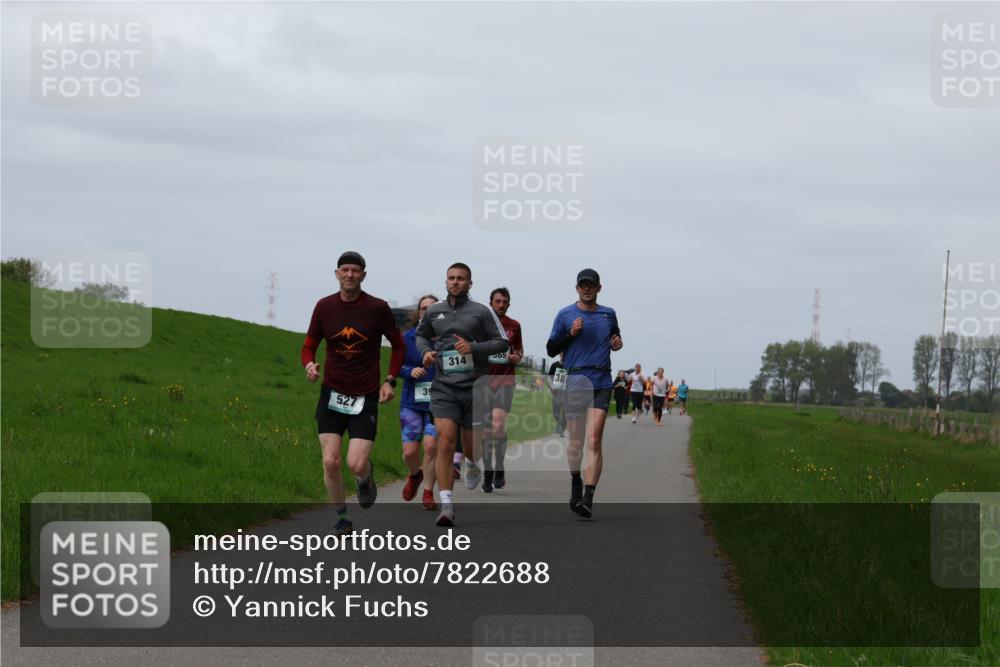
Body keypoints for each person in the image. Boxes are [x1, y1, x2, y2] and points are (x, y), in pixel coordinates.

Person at [301, 251, 405, 536]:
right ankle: (342, 518)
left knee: (355, 464)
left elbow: (398, 346)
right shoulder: (324, 307)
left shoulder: (377, 308)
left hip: (366, 395)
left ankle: (365, 477)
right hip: (332, 394)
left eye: (355, 271)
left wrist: (390, 380)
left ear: (363, 275)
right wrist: (309, 365)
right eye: (344, 270)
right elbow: (309, 344)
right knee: (330, 461)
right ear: (336, 274)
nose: (349, 275)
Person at [416, 262, 509, 526]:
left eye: (461, 279)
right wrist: (426, 352)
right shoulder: (434, 311)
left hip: (475, 389)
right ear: (445, 282)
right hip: (444, 387)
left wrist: (474, 347)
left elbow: (502, 342)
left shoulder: (482, 312)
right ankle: (446, 504)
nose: (455, 282)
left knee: (471, 447)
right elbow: (420, 336)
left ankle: (471, 462)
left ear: (470, 283)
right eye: (451, 278)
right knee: (445, 442)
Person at [546, 268, 623, 518]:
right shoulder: (565, 315)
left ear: (599, 288)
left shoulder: (608, 314)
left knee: (593, 440)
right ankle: (575, 480)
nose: (587, 288)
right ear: (577, 288)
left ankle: (588, 497)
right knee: (576, 443)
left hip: (601, 380)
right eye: (583, 285)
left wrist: (616, 343)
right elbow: (551, 349)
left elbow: (616, 338)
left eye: (591, 285)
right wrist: (570, 334)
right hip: (575, 381)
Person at [400, 295, 441, 510]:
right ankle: (415, 475)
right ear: (419, 312)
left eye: (432, 308)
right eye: (423, 308)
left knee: (431, 447)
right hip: (411, 402)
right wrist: (409, 370)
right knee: (409, 452)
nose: (427, 311)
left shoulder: (448, 338)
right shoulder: (407, 338)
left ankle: (428, 492)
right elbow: (395, 366)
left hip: (438, 402)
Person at [483, 287, 524, 492]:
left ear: (508, 304)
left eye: (504, 302)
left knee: (498, 425)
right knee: (485, 430)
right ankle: (488, 470)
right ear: (490, 302)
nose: (501, 305)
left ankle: (499, 467)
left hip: (505, 380)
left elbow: (519, 350)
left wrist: (517, 357)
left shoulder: (514, 325)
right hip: (481, 382)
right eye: (497, 301)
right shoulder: (480, 323)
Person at [548, 353, 567, 435]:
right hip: (556, 392)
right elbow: (549, 377)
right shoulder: (554, 365)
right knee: (555, 412)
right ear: (560, 354)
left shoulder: (571, 366)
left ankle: (561, 428)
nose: (564, 354)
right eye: (562, 352)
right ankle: (559, 424)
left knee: (565, 413)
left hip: (567, 393)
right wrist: (552, 387)